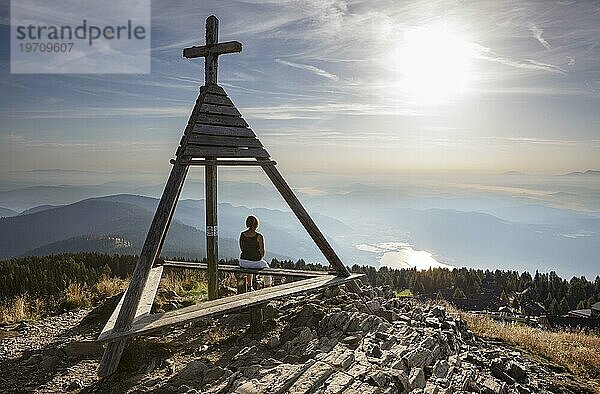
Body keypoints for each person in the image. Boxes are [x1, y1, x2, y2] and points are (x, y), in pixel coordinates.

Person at [239, 215, 272, 289]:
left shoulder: (242, 234)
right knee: (267, 270)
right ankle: (267, 286)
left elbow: (242, 248)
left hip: (243, 261)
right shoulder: (259, 236)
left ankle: (249, 286)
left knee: (248, 268)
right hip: (255, 261)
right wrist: (257, 258)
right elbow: (262, 251)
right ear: (257, 224)